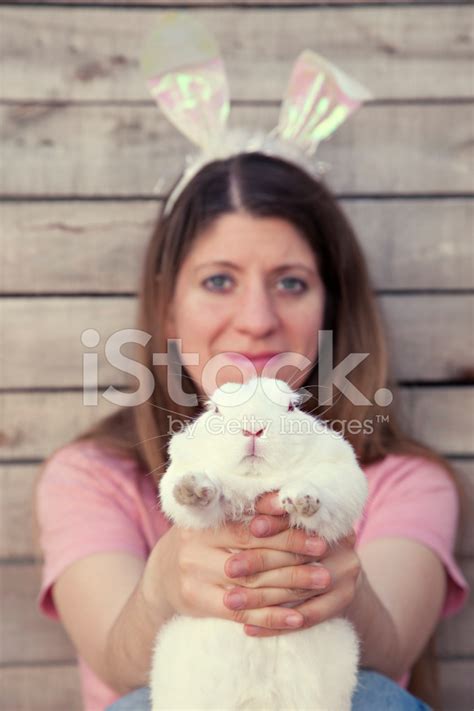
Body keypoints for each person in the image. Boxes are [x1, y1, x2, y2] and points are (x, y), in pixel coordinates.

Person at [35, 152, 469, 711]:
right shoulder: (90, 478)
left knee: (372, 695)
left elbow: (388, 655)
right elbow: (116, 666)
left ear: (329, 311)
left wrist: (341, 588)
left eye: (291, 282)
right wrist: (162, 586)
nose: (257, 319)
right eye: (219, 280)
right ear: (168, 311)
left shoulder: (406, 483)